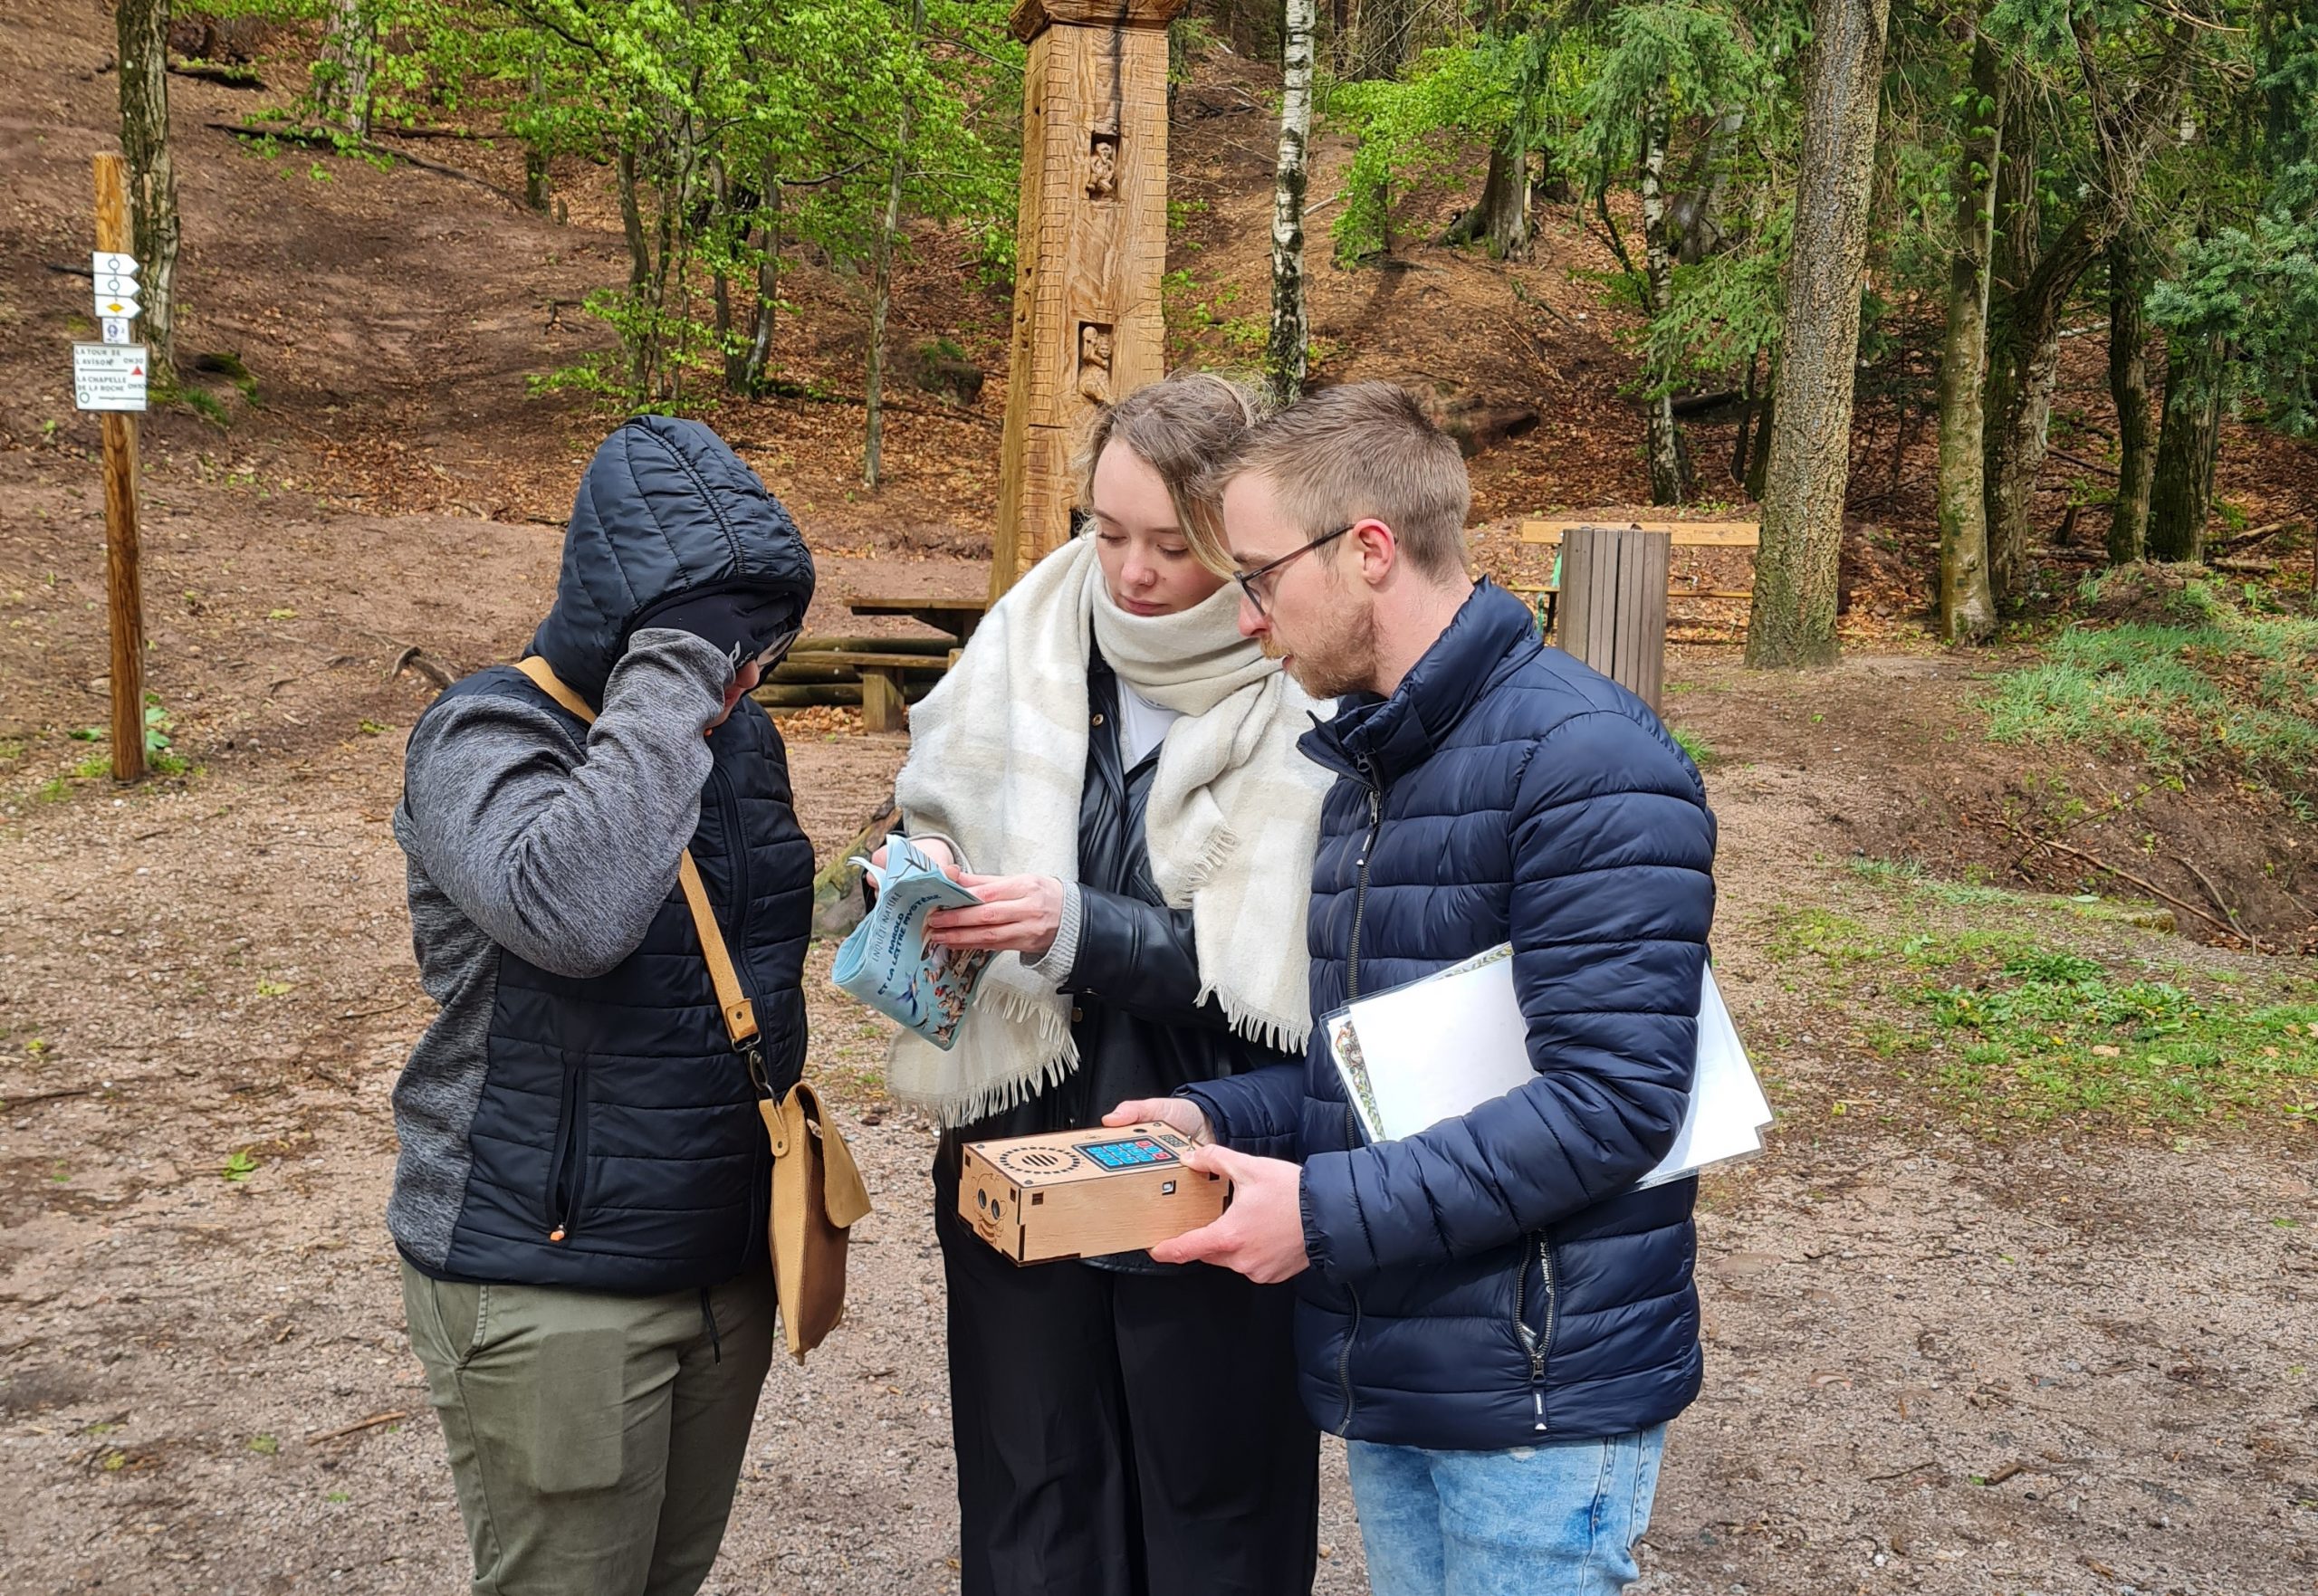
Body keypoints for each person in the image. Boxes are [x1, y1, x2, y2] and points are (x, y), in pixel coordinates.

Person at [1109, 382, 1718, 1596]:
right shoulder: (1373, 767)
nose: (1247, 621)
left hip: (1537, 1394)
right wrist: (1219, 1120)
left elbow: (1613, 1104)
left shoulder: (1588, 761)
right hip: (1404, 1365)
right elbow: (1389, 1075)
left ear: (1370, 553)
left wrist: (1321, 1217)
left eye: (1262, 578)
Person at [886, 371, 1332, 1596]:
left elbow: (1289, 963)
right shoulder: (1030, 635)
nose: (1129, 573)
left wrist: (1086, 931)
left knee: (1210, 1506)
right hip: (1017, 1126)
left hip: (1201, 1136)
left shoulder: (1302, 678)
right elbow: (937, 802)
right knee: (1032, 1490)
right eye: (1105, 531)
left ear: (1238, 541)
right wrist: (920, 867)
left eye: (1170, 545)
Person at [389, 415, 818, 1596]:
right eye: (719, 647)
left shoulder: (728, 739)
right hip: (548, 1284)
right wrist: (677, 667)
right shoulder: (482, 736)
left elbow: (747, 958)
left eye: (756, 651)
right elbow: (577, 915)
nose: (742, 679)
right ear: (632, 620)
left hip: (718, 1264)